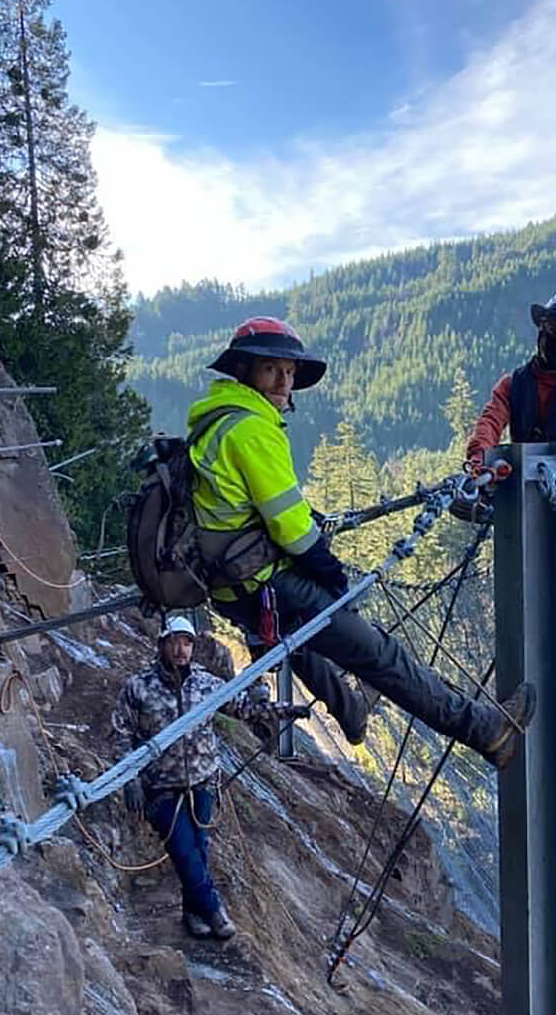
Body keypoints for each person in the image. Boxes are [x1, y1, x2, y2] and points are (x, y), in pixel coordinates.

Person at [185, 316, 535, 767]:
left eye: (289, 372)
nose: (284, 382)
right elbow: (292, 529)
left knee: (301, 641)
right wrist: (332, 576)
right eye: (272, 369)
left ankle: (350, 712)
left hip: (230, 585)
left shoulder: (216, 419)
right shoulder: (253, 430)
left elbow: (246, 503)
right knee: (379, 655)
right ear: (245, 371)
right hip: (266, 581)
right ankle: (486, 731)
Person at [111, 615, 278, 940]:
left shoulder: (206, 684)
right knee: (185, 851)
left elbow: (242, 710)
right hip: (160, 786)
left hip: (201, 782)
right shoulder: (139, 686)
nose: (181, 649)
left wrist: (280, 708)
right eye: (174, 641)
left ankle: (192, 913)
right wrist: (129, 779)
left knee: (199, 850)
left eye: (187, 642)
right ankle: (214, 911)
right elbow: (121, 732)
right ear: (162, 644)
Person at [465, 290, 556, 501]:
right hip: (523, 501)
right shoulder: (512, 384)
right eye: (553, 329)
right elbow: (489, 424)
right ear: (541, 328)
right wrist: (479, 460)